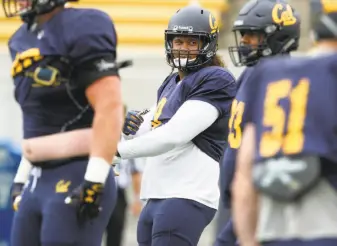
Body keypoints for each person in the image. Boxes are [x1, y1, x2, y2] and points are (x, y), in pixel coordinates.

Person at [5, 0, 126, 245]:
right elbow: (39, 123)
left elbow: (110, 107)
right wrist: (21, 178)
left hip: (76, 172)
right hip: (37, 178)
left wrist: (94, 178)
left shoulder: (84, 25)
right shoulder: (21, 38)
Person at [119, 5, 237, 246]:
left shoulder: (216, 78)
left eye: (192, 42)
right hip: (157, 196)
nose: (184, 48)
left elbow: (173, 135)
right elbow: (149, 126)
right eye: (179, 41)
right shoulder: (172, 81)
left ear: (208, 43)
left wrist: (118, 151)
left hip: (184, 194)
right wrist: (128, 124)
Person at [232, 5, 337, 246]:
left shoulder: (268, 74)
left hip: (272, 229)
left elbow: (244, 174)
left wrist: (247, 240)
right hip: (327, 227)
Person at [215, 0, 301, 245]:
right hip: (233, 193)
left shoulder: (283, 82)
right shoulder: (251, 74)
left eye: (252, 35)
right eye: (243, 35)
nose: (244, 42)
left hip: (255, 194)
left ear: (278, 37)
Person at [106, 104, 144, 246]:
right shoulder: (100, 138)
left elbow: (136, 173)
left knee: (116, 233)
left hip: (118, 194)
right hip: (99, 189)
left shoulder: (128, 141)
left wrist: (136, 199)